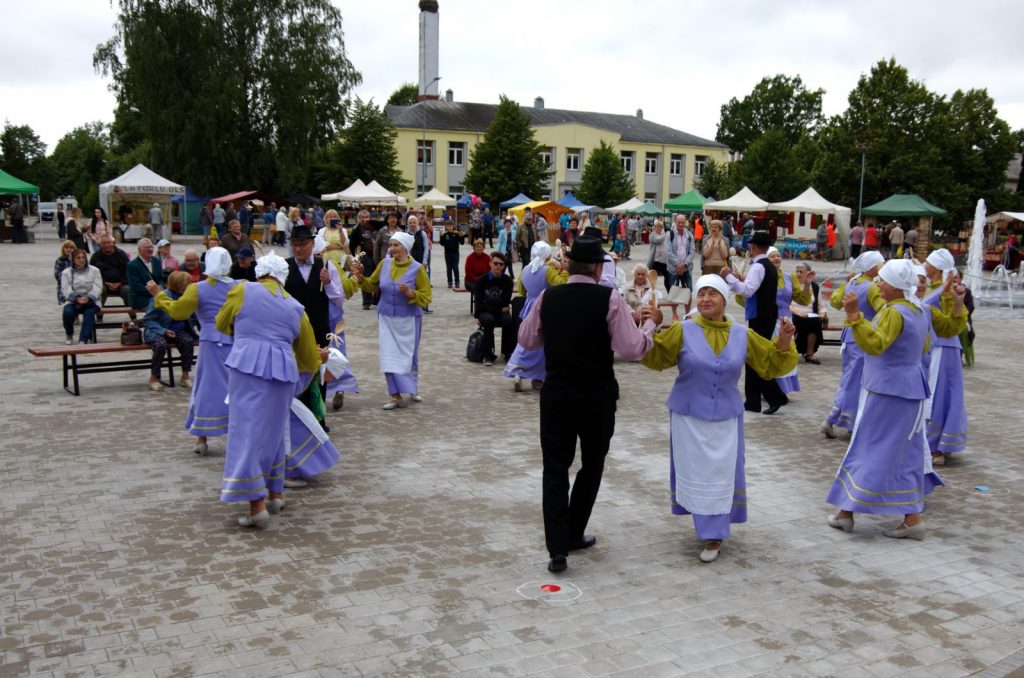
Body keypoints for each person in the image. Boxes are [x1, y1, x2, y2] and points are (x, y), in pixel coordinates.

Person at [517, 236, 661, 573]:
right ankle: (573, 532)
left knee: (555, 469)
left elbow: (526, 339)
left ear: (568, 266)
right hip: (596, 394)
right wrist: (651, 325)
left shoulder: (548, 296)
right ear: (598, 269)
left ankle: (557, 549)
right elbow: (631, 349)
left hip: (557, 394)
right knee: (592, 464)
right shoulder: (609, 298)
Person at [640, 275, 797, 562]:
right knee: (696, 472)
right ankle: (709, 529)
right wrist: (651, 324)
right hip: (688, 417)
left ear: (725, 299)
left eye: (712, 293)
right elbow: (654, 357)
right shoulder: (683, 329)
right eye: (701, 294)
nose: (705, 299)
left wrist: (784, 341)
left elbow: (770, 364)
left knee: (722, 474)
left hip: (726, 417)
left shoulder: (741, 334)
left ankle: (715, 533)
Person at [826, 260, 949, 541]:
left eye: (882, 280)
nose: (878, 284)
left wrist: (854, 315)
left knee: (870, 447)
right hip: (910, 390)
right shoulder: (919, 310)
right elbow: (925, 346)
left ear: (895, 284)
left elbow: (875, 345)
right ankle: (909, 518)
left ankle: (847, 512)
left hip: (887, 391)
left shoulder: (894, 312)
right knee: (904, 453)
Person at [214, 252, 326, 528]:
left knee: (247, 433)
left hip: (247, 367)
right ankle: (276, 494)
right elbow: (308, 356)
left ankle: (257, 506)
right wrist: (315, 364)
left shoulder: (243, 290)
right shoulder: (295, 306)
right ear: (282, 277)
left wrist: (244, 332)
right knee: (274, 433)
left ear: (260, 273)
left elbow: (221, 322)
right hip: (283, 371)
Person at [149, 248, 237, 454]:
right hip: (235, 341)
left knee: (206, 387)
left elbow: (178, 312)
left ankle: (202, 438)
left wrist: (158, 295)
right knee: (236, 388)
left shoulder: (198, 288)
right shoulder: (241, 286)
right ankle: (236, 434)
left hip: (211, 344)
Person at [353, 230, 432, 409]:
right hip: (386, 317)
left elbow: (427, 296)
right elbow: (371, 285)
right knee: (388, 356)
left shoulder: (417, 268)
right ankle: (395, 395)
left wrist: (411, 293)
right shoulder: (384, 264)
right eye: (391, 245)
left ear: (405, 248)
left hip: (409, 318)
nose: (392, 248)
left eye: (396, 245)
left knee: (409, 356)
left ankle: (412, 387)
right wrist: (361, 278)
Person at [820, 251, 885, 438]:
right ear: (872, 267)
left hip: (848, 337)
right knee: (854, 380)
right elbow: (884, 309)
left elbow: (835, 301)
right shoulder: (872, 287)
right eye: (881, 264)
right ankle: (832, 418)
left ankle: (851, 420)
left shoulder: (853, 282)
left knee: (850, 378)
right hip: (862, 337)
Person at [722, 231, 786, 414]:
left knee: (755, 357)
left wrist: (729, 277)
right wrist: (740, 279)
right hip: (766, 315)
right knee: (753, 357)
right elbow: (756, 287)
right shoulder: (768, 266)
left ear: (754, 246)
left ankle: (774, 397)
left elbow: (748, 291)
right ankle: (753, 401)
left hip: (760, 316)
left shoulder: (758, 266)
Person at [922, 249, 969, 466]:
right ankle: (940, 444)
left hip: (942, 348)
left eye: (928, 262)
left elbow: (956, 322)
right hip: (936, 348)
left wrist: (950, 293)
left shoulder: (945, 290)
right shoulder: (934, 288)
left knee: (937, 395)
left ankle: (935, 447)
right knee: (941, 393)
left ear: (937, 268)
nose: (924, 265)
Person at [505, 242, 568, 391]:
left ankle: (518, 372)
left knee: (526, 340)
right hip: (545, 307)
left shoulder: (525, 269)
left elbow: (521, 291)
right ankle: (538, 376)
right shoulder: (548, 270)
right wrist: (565, 271)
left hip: (528, 307)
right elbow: (561, 285)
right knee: (542, 343)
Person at [142, 271, 195, 392]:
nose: (190, 285)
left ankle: (185, 376)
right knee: (160, 345)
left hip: (178, 329)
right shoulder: (161, 296)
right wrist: (164, 331)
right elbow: (148, 320)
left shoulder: (187, 296)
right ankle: (154, 378)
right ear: (178, 284)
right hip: (158, 330)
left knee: (188, 341)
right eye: (187, 283)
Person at [473, 252, 515, 366]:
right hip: (486, 312)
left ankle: (507, 352)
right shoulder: (481, 281)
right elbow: (479, 306)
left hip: (493, 310)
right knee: (488, 320)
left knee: (508, 320)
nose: (498, 266)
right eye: (495, 263)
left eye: (501, 264)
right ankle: (488, 354)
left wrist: (492, 306)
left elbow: (505, 302)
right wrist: (499, 309)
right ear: (490, 263)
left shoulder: (507, 281)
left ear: (504, 266)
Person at [60, 249, 102, 345]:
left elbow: (98, 286)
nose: (81, 260)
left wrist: (89, 297)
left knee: (89, 313)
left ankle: (83, 340)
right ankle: (69, 333)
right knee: (67, 313)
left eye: (83, 257)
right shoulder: (66, 272)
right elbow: (65, 288)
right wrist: (76, 298)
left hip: (91, 301)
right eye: (78, 258)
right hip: (73, 300)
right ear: (73, 259)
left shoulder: (95, 270)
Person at [790, 261, 826, 364]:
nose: (798, 274)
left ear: (808, 274)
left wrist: (822, 313)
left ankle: (809, 353)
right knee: (797, 320)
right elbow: (784, 304)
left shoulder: (814, 286)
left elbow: (821, 304)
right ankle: (791, 351)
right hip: (793, 313)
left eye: (801, 272)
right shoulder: (791, 285)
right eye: (797, 271)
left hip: (810, 314)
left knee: (815, 321)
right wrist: (798, 312)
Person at [90, 235, 132, 308]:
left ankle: (132, 312)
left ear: (113, 243)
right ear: (100, 245)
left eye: (109, 243)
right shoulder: (95, 256)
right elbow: (92, 274)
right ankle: (98, 312)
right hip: (103, 284)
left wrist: (120, 283)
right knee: (100, 290)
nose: (107, 245)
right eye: (104, 243)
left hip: (121, 284)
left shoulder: (121, 254)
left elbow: (129, 271)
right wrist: (105, 283)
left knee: (127, 290)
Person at [126, 238, 166, 312]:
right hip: (141, 298)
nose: (150, 249)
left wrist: (160, 286)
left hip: (157, 295)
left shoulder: (156, 261)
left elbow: (161, 279)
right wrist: (153, 291)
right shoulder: (132, 265)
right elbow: (136, 286)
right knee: (159, 307)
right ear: (139, 249)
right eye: (147, 247)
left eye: (151, 247)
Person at [647, 219, 675, 293]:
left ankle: (670, 293)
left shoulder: (664, 235)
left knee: (667, 278)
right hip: (655, 261)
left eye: (660, 227)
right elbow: (658, 240)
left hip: (664, 260)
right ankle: (650, 293)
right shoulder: (652, 235)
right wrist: (666, 234)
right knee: (652, 278)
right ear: (654, 228)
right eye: (657, 227)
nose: (658, 228)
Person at [439, 221, 465, 288]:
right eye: (448, 226)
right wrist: (440, 235)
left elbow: (462, 243)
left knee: (455, 267)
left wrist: (462, 236)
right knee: (449, 268)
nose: (449, 227)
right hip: (447, 254)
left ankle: (457, 282)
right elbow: (442, 244)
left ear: (453, 226)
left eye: (451, 226)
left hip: (455, 253)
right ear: (446, 227)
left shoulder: (456, 233)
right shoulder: (445, 234)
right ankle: (449, 282)